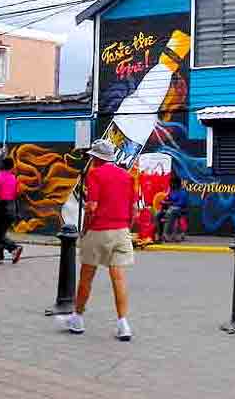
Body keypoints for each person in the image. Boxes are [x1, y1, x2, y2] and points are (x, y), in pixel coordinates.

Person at [58, 139, 136, 341]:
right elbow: (133, 209)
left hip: (99, 230)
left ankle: (78, 318)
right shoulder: (127, 177)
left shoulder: (95, 174)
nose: (91, 160)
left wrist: (84, 229)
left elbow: (92, 206)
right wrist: (127, 227)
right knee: (118, 279)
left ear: (98, 159)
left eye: (92, 157)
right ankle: (123, 324)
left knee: (87, 276)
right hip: (121, 230)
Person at [0, 157, 23, 264]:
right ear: (12, 167)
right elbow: (17, 196)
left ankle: (14, 248)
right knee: (0, 234)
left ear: (2, 165)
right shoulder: (14, 178)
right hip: (11, 209)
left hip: (1, 209)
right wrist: (17, 212)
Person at [155, 176, 188, 242]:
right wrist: (164, 202)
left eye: (172, 183)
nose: (171, 185)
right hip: (170, 208)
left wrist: (169, 203)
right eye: (171, 183)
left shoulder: (182, 192)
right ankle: (159, 235)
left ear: (177, 184)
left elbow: (181, 204)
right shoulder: (171, 191)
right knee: (157, 214)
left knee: (170, 212)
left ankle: (167, 235)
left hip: (180, 210)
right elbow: (167, 199)